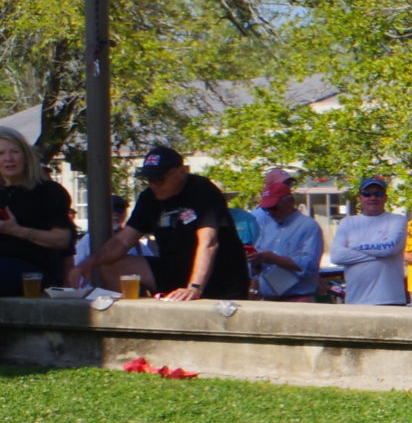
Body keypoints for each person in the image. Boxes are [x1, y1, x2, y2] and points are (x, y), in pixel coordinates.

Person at [73, 145, 251, 301]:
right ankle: (131, 318)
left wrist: (194, 287)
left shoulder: (201, 189)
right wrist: (86, 265)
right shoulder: (149, 198)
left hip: (219, 277)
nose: (154, 185)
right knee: (111, 265)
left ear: (181, 171)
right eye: (149, 180)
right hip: (173, 269)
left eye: (160, 179)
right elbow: (123, 241)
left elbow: (209, 242)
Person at [0, 126, 75, 289]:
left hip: (34, 270)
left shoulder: (48, 191)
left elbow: (62, 240)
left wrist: (15, 230)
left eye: (15, 152)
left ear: (26, 156)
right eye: (1, 154)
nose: (8, 159)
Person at [329, 177, 412, 307]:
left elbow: (389, 249)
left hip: (390, 300)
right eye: (367, 194)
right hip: (355, 301)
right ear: (360, 198)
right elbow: (336, 257)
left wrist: (354, 247)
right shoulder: (347, 222)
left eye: (378, 194)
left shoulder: (397, 220)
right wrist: (380, 253)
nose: (373, 198)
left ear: (385, 198)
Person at [247, 171, 324, 301]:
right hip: (268, 298)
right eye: (266, 209)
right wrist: (256, 261)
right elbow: (255, 270)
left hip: (298, 298)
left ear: (290, 201)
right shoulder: (264, 225)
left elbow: (309, 265)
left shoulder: (308, 226)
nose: (270, 212)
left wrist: (274, 259)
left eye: (274, 207)